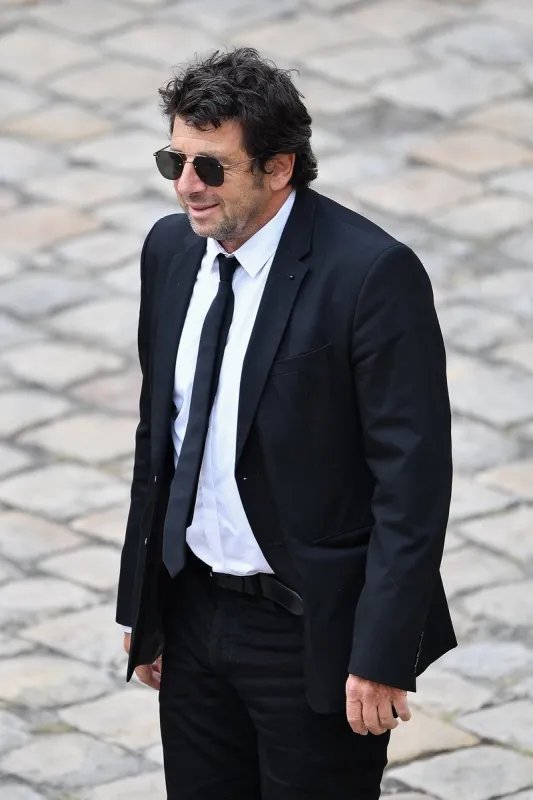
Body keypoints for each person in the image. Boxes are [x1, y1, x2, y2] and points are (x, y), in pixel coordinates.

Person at [116, 47, 456, 800]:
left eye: (210, 167)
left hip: (311, 632)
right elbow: (158, 440)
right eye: (174, 160)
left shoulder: (371, 275)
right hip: (193, 612)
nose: (185, 185)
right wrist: (145, 606)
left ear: (278, 168)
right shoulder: (169, 251)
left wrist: (381, 654)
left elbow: (412, 485)